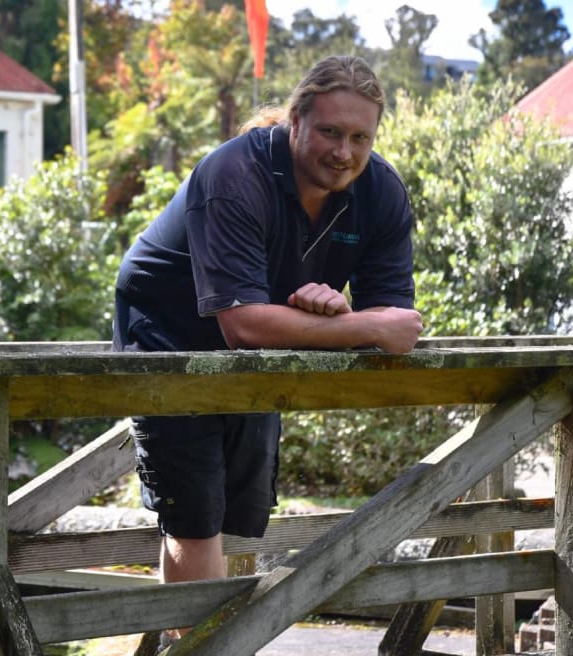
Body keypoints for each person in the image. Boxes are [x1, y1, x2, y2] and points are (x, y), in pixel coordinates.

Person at [111, 55, 423, 641]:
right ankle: (202, 651)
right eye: (330, 132)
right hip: (168, 333)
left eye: (361, 137)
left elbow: (394, 321)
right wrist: (357, 325)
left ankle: (207, 645)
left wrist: (342, 313)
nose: (344, 152)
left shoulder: (380, 192)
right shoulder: (232, 175)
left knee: (238, 514)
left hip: (266, 338)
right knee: (195, 515)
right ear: (296, 121)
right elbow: (244, 325)